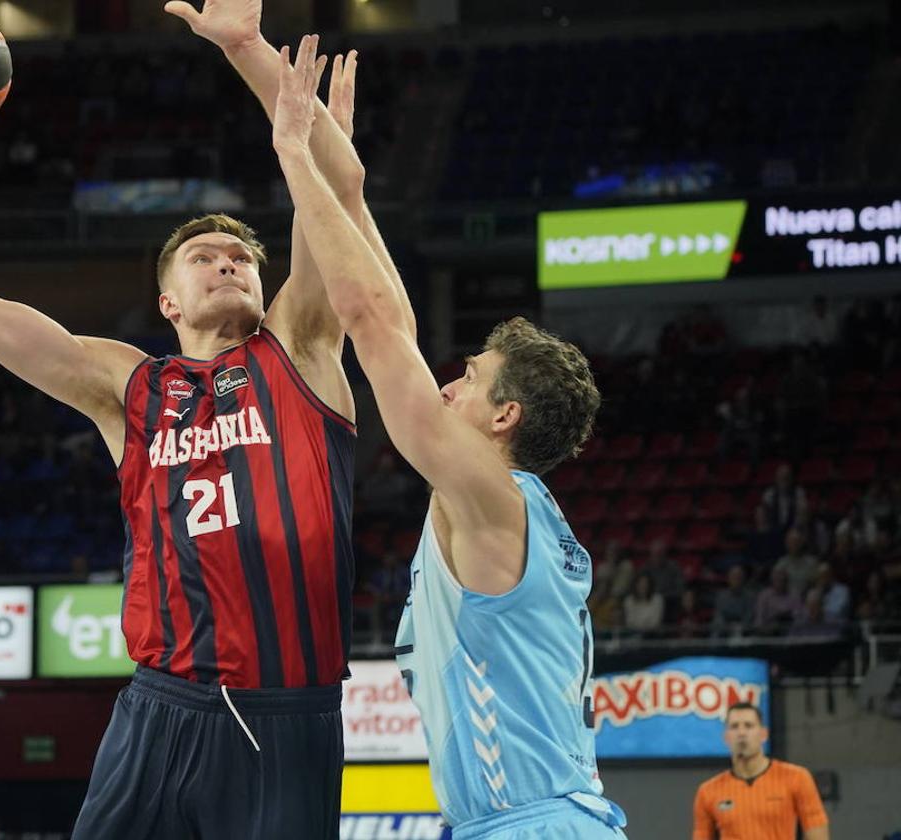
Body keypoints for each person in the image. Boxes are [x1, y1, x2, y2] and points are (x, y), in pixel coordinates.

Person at [0, 0, 379, 831]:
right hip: (160, 704)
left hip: (289, 710)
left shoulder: (301, 350)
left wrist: (248, 51)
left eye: (243, 256)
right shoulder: (130, 386)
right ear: (167, 300)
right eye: (206, 257)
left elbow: (338, 193)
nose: (232, 262)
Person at [271, 35, 625, 838]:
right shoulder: (505, 507)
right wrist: (346, 186)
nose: (447, 384)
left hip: (530, 825)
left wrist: (295, 150)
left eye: (470, 378)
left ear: (507, 418)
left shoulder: (491, 494)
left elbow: (367, 319)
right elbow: (388, 313)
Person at [692, 702, 828, 840]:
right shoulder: (708, 791)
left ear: (763, 734)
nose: (741, 733)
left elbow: (817, 833)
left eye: (748, 725)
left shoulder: (796, 778)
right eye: (734, 726)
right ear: (726, 737)